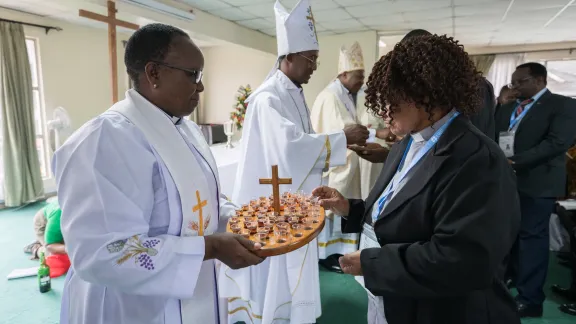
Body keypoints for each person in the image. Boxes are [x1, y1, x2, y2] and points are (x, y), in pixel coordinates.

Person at [52, 23, 264, 324]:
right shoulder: (104, 141)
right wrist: (210, 246)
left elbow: (201, 203)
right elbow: (102, 252)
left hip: (195, 293)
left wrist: (240, 219)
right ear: (154, 74)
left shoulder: (187, 129)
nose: (201, 86)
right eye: (193, 74)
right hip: (132, 308)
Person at [313, 34, 521, 324]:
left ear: (427, 94)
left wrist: (375, 264)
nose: (383, 113)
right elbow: (403, 210)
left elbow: (464, 260)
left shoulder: (476, 159)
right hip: (396, 296)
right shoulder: (407, 142)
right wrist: (351, 207)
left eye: (392, 102)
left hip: (440, 310)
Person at [218, 1, 368, 323]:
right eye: (310, 60)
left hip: (290, 202)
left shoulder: (293, 92)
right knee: (276, 281)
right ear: (288, 57)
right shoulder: (268, 98)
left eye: (315, 60)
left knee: (292, 273)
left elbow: (301, 147)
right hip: (272, 208)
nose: (314, 67)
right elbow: (290, 149)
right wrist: (342, 137)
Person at [495, 62, 576, 317]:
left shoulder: (563, 105)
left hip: (537, 182)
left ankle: (531, 300)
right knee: (509, 236)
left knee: (532, 239)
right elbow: (496, 132)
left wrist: (515, 161)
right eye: (512, 82)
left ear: (540, 80)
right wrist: (501, 103)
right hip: (507, 182)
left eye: (521, 81)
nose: (515, 86)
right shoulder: (510, 105)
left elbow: (557, 142)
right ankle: (510, 282)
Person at [310, 41, 372, 272]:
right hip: (337, 168)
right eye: (358, 75)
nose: (361, 80)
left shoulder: (352, 94)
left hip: (351, 167)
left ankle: (344, 253)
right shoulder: (329, 97)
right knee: (332, 210)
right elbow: (335, 130)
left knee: (345, 208)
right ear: (344, 74)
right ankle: (329, 256)